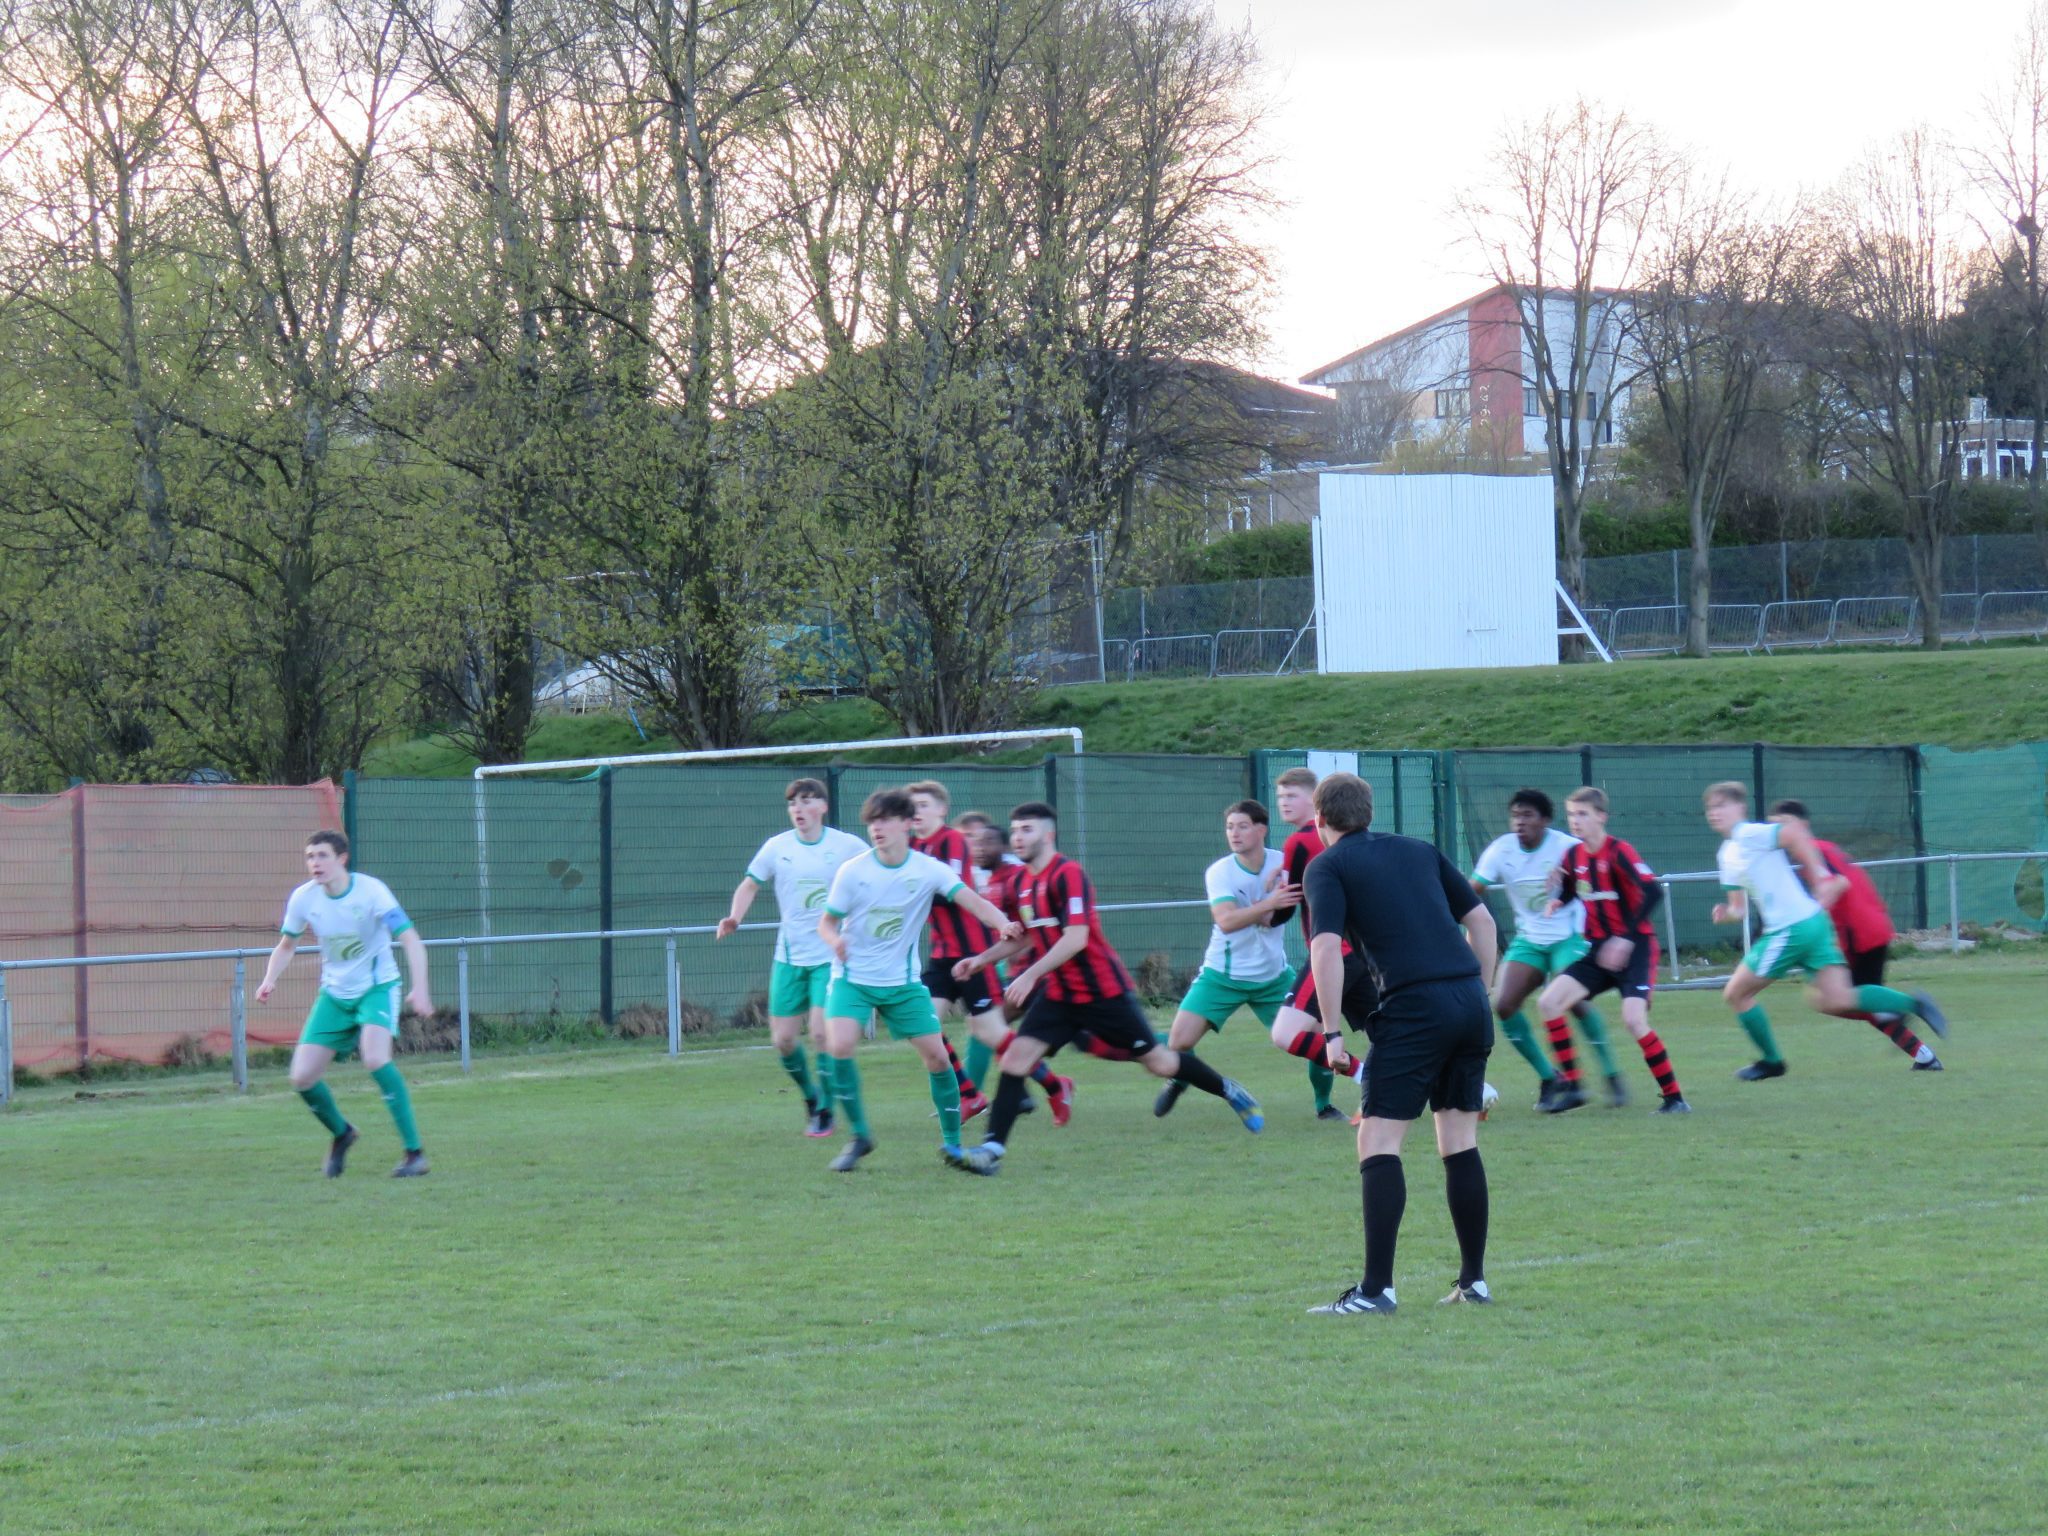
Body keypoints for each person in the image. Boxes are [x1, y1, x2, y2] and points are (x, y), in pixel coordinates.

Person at [951, 802, 1262, 1175]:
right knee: (1016, 1058)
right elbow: (1025, 937)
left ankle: (1229, 1090)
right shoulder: (1022, 882)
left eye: (1027, 830)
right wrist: (981, 960)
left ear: (1048, 835)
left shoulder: (1068, 874)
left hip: (1103, 993)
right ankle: (991, 1151)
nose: (1018, 837)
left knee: (1159, 1062)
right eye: (1015, 830)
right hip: (1060, 995)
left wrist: (1030, 974)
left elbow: (1077, 938)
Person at [1298, 773, 1497, 1316]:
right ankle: (1473, 1282)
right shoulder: (1419, 849)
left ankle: (1375, 1292)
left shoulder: (1327, 865)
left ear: (1319, 821)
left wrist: (1332, 1031)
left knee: (1378, 1141)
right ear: (1368, 811)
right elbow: (1481, 920)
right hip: (1467, 1000)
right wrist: (1480, 989)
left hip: (1413, 1008)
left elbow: (1324, 949)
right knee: (1459, 1141)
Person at [817, 788, 1020, 1172]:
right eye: (872, 821)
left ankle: (953, 1146)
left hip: (903, 985)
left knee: (938, 1058)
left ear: (907, 824)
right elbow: (826, 922)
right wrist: (834, 941)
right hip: (853, 980)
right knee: (839, 1045)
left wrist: (1004, 923)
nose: (877, 828)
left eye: (886, 820)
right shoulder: (854, 870)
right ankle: (860, 1136)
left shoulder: (927, 869)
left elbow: (972, 901)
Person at [1705, 783, 1949, 1081]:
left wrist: (1820, 874)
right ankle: (1915, 1004)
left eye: (1722, 805)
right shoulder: (1727, 854)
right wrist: (1725, 914)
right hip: (1813, 923)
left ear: (1740, 808)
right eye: (1710, 808)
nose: (1715, 813)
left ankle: (1772, 1061)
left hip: (1790, 928)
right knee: (1838, 999)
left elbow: (1795, 834)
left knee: (1736, 993)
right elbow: (1739, 909)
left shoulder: (1749, 834)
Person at [254, 830, 431, 1178]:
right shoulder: (304, 898)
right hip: (335, 994)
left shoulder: (371, 891)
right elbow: (287, 945)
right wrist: (269, 978)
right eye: (310, 857)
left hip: (376, 988)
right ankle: (342, 1134)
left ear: (341, 858)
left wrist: (420, 988)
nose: (315, 863)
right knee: (302, 1077)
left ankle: (415, 1154)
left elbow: (409, 937)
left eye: (322, 855)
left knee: (376, 1058)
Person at [716, 778, 868, 1136]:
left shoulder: (847, 846)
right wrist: (735, 916)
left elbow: (874, 873)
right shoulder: (777, 847)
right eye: (792, 803)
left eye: (806, 801)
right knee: (783, 1040)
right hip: (789, 957)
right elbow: (750, 883)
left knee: (820, 1033)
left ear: (822, 807)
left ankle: (827, 1110)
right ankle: (812, 1096)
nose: (798, 809)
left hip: (829, 955)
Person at [1534, 788, 1690, 1114]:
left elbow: (1652, 892)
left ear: (1601, 816)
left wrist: (1626, 938)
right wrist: (1558, 898)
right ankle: (1574, 1086)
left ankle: (1675, 1099)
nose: (1575, 821)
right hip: (1598, 951)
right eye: (1572, 815)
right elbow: (1576, 889)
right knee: (1548, 1002)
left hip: (1635, 948)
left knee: (1634, 1020)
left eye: (1583, 814)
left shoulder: (1620, 852)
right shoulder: (1574, 856)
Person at [1470, 789, 1626, 1111]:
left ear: (1545, 820)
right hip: (1530, 939)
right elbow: (1472, 891)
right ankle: (1550, 1076)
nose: (1519, 822)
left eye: (1527, 815)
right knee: (1504, 1004)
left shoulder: (1566, 848)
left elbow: (1598, 880)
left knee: (1575, 1001)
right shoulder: (1501, 850)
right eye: (1515, 815)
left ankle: (1611, 1073)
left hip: (1569, 936)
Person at [1155, 800, 1309, 1119]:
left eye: (1242, 826)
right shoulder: (1220, 871)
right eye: (1229, 827)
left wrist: (1282, 902)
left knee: (1314, 1042)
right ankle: (1180, 1078)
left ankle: (1324, 1107)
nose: (1234, 833)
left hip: (1273, 976)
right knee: (1178, 1042)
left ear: (1261, 830)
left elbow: (1305, 891)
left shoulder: (1283, 863)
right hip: (1222, 974)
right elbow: (1226, 921)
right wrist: (1272, 903)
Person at [1769, 799, 1944, 1070]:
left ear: (1803, 826)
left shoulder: (1815, 851)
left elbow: (1839, 883)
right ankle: (1923, 1055)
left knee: (1830, 998)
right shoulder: (1820, 851)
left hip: (1859, 935)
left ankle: (1910, 1005)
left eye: (1783, 824)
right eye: (1773, 827)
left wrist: (1811, 915)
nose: (1778, 832)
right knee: (1853, 1002)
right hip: (1870, 929)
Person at [1257, 766, 1369, 1119]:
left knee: (1287, 1034)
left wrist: (1265, 909)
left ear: (1315, 801)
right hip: (1364, 952)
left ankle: (1368, 1078)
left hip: (1335, 952)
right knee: (1395, 1030)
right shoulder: (1356, 840)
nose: (1284, 803)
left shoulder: (1297, 842)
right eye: (1280, 797)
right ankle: (1473, 1087)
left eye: (1293, 796)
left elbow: (1283, 911)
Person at [959, 819, 1076, 1124]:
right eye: (975, 843)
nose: (979, 849)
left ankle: (1040, 1088)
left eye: (986, 843)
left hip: (1038, 972)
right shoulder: (990, 879)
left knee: (992, 1026)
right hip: (1022, 972)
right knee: (994, 1029)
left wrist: (1022, 954)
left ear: (1003, 848)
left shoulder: (1015, 878)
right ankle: (1027, 1090)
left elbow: (1029, 929)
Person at [907, 780, 1002, 1119]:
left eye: (923, 805)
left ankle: (1053, 1085)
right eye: (912, 806)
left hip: (972, 952)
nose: (915, 811)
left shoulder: (953, 841)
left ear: (941, 810)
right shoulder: (910, 845)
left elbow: (949, 890)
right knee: (922, 1024)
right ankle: (968, 1094)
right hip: (940, 955)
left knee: (990, 1033)